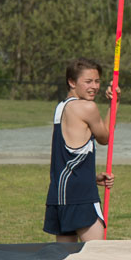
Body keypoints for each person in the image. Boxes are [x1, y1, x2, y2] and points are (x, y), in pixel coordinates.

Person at [44, 58, 116, 242]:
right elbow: (105, 138)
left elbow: (67, 157)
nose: (94, 86)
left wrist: (91, 178)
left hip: (59, 196)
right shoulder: (87, 107)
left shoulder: (61, 108)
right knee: (96, 257)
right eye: (88, 81)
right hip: (81, 197)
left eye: (97, 81)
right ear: (72, 82)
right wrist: (114, 104)